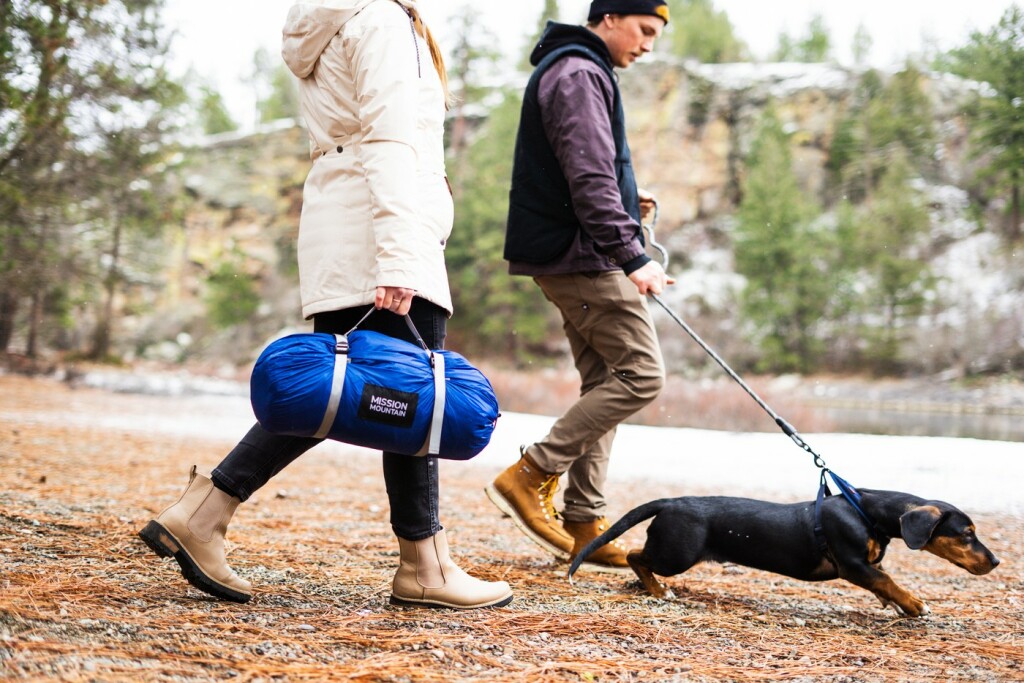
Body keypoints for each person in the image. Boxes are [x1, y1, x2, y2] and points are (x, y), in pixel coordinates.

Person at [138, 0, 512, 610]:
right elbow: (389, 141)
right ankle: (424, 565)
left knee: (339, 395)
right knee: (409, 396)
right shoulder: (385, 22)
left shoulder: (345, 18)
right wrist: (399, 254)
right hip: (381, 233)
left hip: (349, 223)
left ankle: (203, 512)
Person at [485, 0, 673, 573]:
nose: (647, 45)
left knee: (605, 381)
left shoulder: (579, 69)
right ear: (610, 18)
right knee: (642, 376)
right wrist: (632, 254)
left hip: (573, 249)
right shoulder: (579, 72)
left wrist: (625, 197)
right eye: (644, 30)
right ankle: (531, 473)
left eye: (656, 36)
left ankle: (584, 519)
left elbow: (588, 169)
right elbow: (588, 175)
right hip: (583, 256)